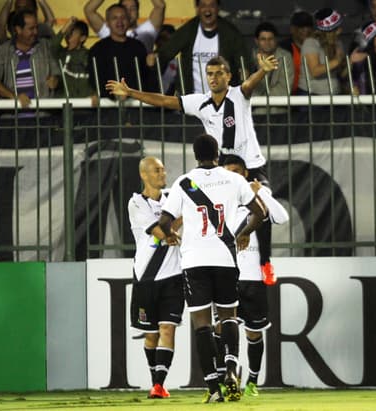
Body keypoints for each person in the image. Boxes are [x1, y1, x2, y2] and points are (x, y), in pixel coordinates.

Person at [106, 55, 278, 282]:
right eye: (210, 74)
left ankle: (265, 263)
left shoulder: (238, 95)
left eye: (219, 73)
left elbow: (249, 85)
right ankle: (221, 257)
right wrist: (131, 93)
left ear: (229, 76)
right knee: (216, 211)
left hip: (251, 165)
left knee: (261, 207)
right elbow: (166, 101)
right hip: (224, 166)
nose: (214, 78)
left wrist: (262, 71)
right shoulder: (201, 102)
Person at [158, 134, 265, 403]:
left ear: (195, 155)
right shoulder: (234, 179)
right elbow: (259, 212)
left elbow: (164, 221)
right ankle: (231, 370)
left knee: (202, 324)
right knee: (228, 317)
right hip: (225, 259)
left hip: (194, 261)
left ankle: (214, 387)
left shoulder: (184, 183)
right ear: (217, 154)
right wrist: (244, 233)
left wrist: (170, 235)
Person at [222, 154, 288, 397]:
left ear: (245, 174)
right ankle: (227, 376)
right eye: (229, 172)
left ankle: (252, 380)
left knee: (253, 332)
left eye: (237, 171)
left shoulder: (257, 201)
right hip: (228, 276)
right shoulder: (222, 202)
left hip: (253, 278)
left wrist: (262, 194)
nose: (234, 176)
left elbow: (282, 217)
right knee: (224, 329)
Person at [128, 156, 184, 399]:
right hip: (146, 277)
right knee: (151, 335)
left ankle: (159, 385)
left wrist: (174, 227)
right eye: (157, 170)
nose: (163, 174)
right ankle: (155, 380)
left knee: (167, 329)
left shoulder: (174, 196)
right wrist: (177, 225)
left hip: (173, 276)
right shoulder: (136, 203)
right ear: (144, 175)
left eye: (163, 169)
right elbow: (160, 232)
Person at [154, 0, 248, 94]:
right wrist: (154, 57)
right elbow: (166, 52)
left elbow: (243, 63)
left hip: (223, 98)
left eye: (212, 5)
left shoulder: (230, 33)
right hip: (193, 98)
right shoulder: (188, 30)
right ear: (197, 8)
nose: (207, 9)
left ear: (218, 8)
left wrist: (243, 77)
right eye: (203, 5)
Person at [0, 10, 60, 110]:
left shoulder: (45, 46)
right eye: (31, 29)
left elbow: (56, 73)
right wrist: (14, 97)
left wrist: (55, 79)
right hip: (12, 118)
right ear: (18, 29)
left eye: (36, 28)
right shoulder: (3, 51)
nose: (35, 32)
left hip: (43, 116)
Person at [88, 3, 154, 96]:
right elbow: (95, 79)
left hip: (136, 105)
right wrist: (113, 95)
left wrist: (151, 67)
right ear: (107, 23)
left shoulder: (138, 47)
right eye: (115, 18)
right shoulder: (98, 49)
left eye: (123, 18)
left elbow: (146, 78)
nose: (120, 21)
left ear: (129, 20)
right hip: (108, 106)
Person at [83, 0, 165, 54]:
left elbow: (160, 6)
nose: (128, 12)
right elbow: (89, 10)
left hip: (141, 78)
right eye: (125, 8)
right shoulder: (110, 31)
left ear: (138, 12)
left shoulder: (147, 30)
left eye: (133, 8)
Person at [297, 8, 347, 96]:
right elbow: (315, 71)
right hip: (313, 95)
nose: (340, 31)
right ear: (329, 31)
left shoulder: (338, 42)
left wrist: (351, 62)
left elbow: (341, 74)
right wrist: (338, 61)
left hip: (334, 93)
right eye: (337, 29)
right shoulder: (310, 42)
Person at [250, 21, 294, 114]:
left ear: (276, 40)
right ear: (256, 41)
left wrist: (258, 100)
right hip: (253, 112)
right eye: (263, 39)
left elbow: (285, 88)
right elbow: (246, 87)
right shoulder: (249, 57)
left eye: (270, 39)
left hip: (279, 112)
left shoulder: (285, 57)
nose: (267, 42)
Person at [50, 17, 97, 102]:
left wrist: (94, 93)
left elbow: (96, 76)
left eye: (73, 32)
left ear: (82, 38)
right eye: (68, 32)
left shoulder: (88, 55)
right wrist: (66, 25)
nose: (68, 35)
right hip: (64, 103)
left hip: (84, 103)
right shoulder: (61, 53)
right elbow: (53, 45)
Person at [278, 10, 313, 94]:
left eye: (308, 27)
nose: (306, 30)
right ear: (292, 29)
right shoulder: (283, 48)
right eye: (301, 27)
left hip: (313, 93)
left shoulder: (318, 46)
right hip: (289, 95)